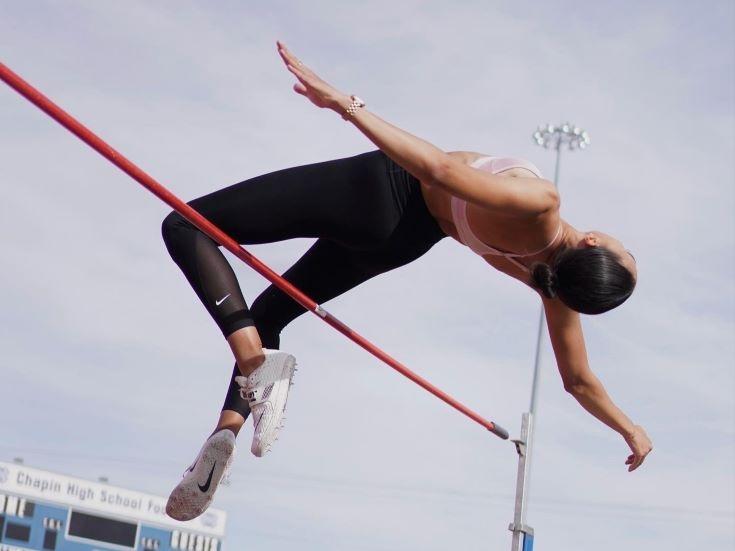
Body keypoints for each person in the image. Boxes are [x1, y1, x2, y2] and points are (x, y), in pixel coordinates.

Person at [162, 41, 652, 521]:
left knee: (186, 224)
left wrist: (346, 106)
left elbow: (438, 169)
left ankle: (254, 361)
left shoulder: (542, 203)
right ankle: (225, 432)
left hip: (383, 191)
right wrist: (629, 429)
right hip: (400, 243)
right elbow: (578, 381)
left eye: (624, 249)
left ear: (593, 242)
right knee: (269, 313)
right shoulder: (551, 286)